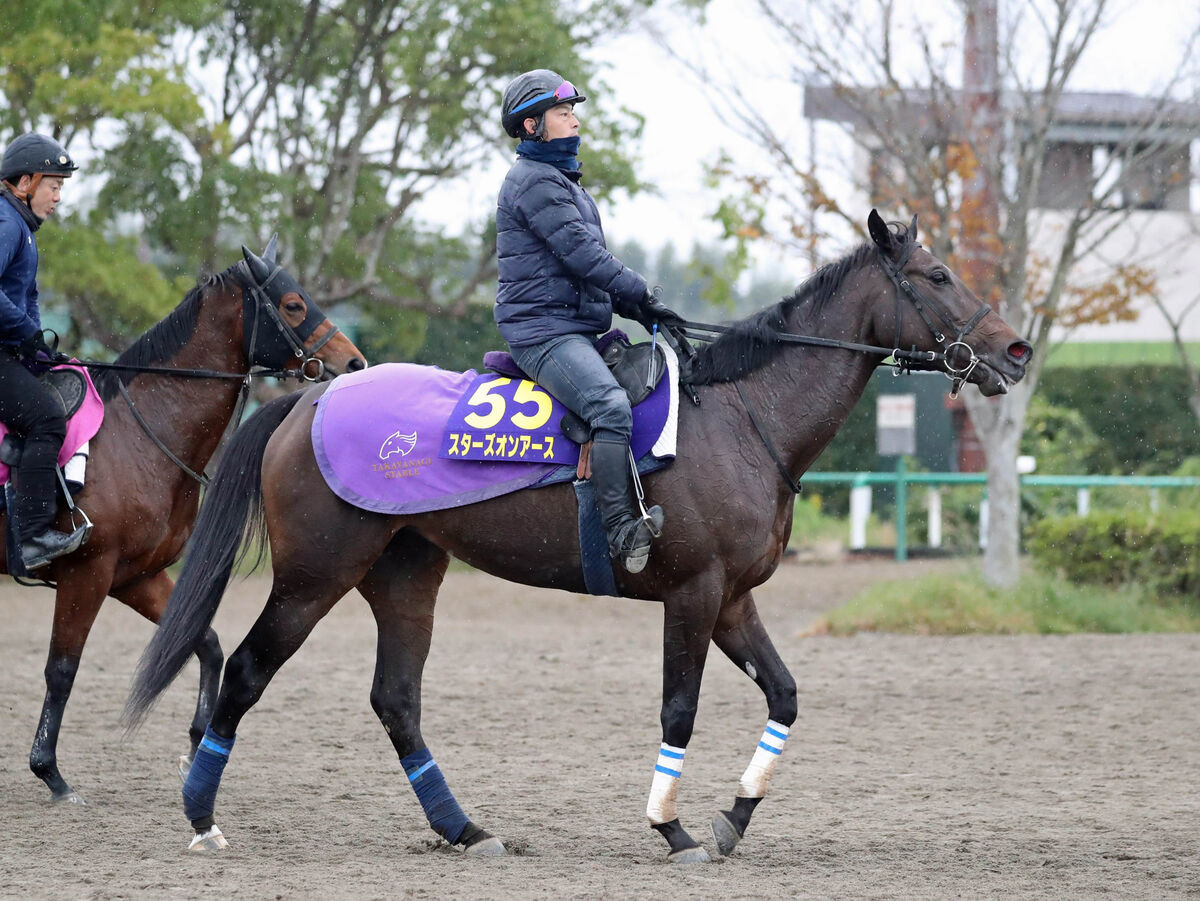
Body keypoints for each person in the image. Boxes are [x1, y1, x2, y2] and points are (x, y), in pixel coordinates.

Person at [495, 69, 685, 574]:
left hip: (573, 329)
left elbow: (587, 270)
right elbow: (583, 256)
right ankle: (622, 529)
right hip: (543, 334)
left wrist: (639, 308)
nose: (575, 121)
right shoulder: (534, 182)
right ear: (532, 126)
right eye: (564, 113)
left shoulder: (566, 185)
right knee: (609, 406)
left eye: (573, 112)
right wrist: (642, 290)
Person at [0, 132, 86, 571]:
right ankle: (32, 536)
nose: (57, 197)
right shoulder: (6, 223)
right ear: (26, 182)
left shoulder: (24, 230)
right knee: (47, 417)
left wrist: (37, 346)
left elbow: (26, 298)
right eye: (54, 186)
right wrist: (24, 334)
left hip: (10, 351)